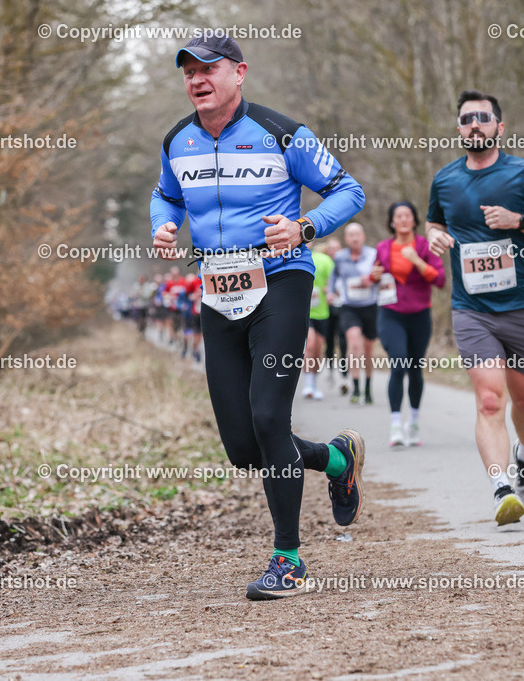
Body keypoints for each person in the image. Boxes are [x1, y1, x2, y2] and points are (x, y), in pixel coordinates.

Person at [149, 34, 367, 599]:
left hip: (281, 281)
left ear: (239, 72)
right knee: (245, 447)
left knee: (270, 417)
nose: (197, 79)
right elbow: (166, 195)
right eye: (188, 72)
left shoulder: (282, 133)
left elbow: (349, 191)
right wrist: (164, 223)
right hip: (218, 289)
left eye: (208, 68)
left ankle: (287, 560)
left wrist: (305, 227)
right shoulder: (177, 140)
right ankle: (336, 458)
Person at [426, 90, 524, 526]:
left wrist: (518, 221)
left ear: (499, 128)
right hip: (472, 310)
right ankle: (501, 488)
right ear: (458, 129)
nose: (474, 125)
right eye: (466, 119)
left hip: (522, 306)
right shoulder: (445, 180)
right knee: (490, 401)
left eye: (482, 118)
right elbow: (434, 222)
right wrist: (433, 236)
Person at [372, 201, 445, 446]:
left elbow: (440, 279)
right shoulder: (383, 247)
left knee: (415, 369)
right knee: (399, 363)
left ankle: (413, 423)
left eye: (407, 215)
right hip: (390, 314)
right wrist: (372, 277)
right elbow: (374, 277)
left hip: (419, 315)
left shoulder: (424, 246)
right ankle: (395, 426)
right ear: (392, 222)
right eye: (398, 216)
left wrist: (417, 261)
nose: (403, 219)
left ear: (414, 220)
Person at [329, 223, 378, 404]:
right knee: (354, 342)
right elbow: (334, 276)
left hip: (370, 305)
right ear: (346, 239)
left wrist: (372, 280)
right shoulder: (340, 257)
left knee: (368, 349)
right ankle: (356, 387)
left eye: (357, 234)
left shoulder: (373, 255)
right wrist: (331, 292)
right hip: (349, 307)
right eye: (351, 235)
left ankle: (368, 386)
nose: (355, 238)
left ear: (363, 237)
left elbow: (382, 275)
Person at [302, 242, 334, 400]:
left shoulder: (323, 259)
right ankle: (308, 384)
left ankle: (314, 382)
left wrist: (331, 290)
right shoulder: (292, 258)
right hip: (303, 312)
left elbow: (335, 279)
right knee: (310, 345)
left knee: (318, 350)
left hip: (321, 312)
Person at [323, 237, 348, 393]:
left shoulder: (345, 262)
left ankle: (344, 375)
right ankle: (330, 368)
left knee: (343, 340)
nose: (334, 251)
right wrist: (326, 289)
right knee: (329, 340)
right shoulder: (324, 263)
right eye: (331, 248)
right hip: (326, 308)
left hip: (343, 307)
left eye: (337, 247)